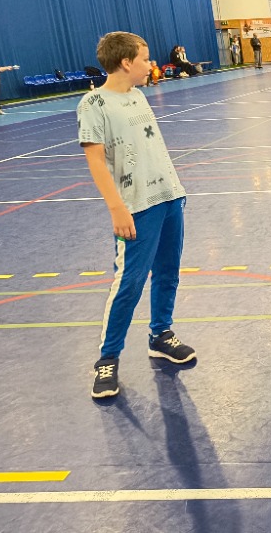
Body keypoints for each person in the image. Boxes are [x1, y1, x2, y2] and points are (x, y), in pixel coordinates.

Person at [77, 32, 194, 399]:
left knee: (168, 272)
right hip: (136, 207)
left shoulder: (139, 96)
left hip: (169, 197)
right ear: (126, 62)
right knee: (129, 283)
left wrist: (175, 191)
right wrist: (117, 207)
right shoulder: (94, 103)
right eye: (145, 59)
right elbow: (96, 161)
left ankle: (161, 334)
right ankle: (108, 359)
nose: (151, 65)